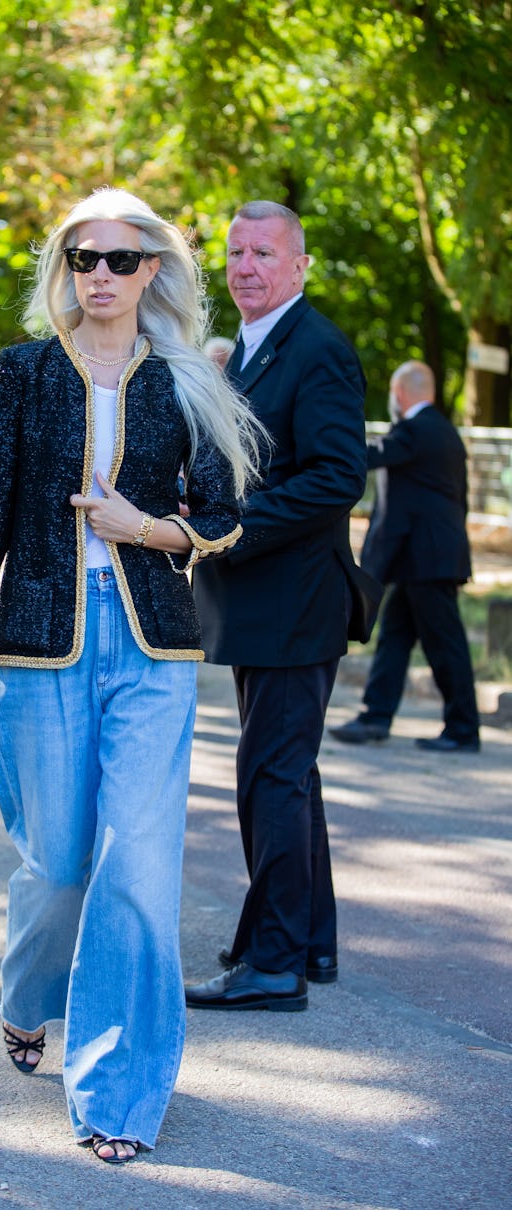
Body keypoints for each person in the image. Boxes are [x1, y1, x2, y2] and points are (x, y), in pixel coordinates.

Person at [0, 187, 261, 1162]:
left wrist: (147, 528)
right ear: (65, 269)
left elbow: (226, 514)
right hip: (40, 644)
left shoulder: (186, 381)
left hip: (154, 649)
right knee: (58, 862)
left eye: (123, 260)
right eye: (86, 259)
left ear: (153, 270)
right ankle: (29, 994)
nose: (104, 276)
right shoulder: (25, 372)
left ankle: (119, 1089)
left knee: (139, 868)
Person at [185, 200, 368, 1013]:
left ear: (299, 265)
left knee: (270, 779)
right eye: (234, 253)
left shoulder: (318, 348)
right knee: (290, 779)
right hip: (264, 605)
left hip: (297, 602)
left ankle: (273, 965)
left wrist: (228, 533)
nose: (245, 266)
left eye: (263, 252)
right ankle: (310, 941)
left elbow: (337, 477)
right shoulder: (252, 350)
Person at [329, 361, 480, 753]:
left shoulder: (419, 430)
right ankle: (376, 716)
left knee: (445, 645)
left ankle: (463, 728)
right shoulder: (442, 431)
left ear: (399, 394)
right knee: (395, 638)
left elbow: (373, 454)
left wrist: (326, 449)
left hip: (428, 562)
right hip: (422, 561)